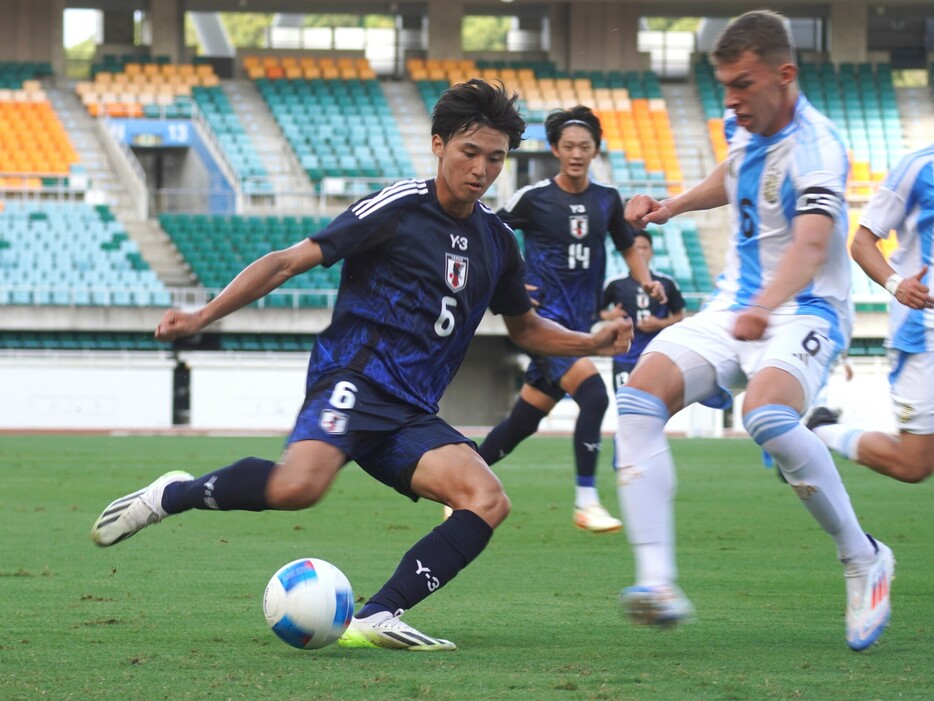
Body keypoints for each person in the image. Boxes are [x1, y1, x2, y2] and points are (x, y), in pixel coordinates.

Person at [90, 79, 633, 652]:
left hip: (412, 411)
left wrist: (590, 343)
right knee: (298, 489)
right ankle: (171, 495)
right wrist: (204, 315)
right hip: (354, 378)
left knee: (487, 498)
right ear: (438, 144)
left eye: (495, 158)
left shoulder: (497, 240)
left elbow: (524, 329)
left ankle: (377, 615)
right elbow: (286, 262)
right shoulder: (398, 207)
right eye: (469, 152)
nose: (481, 169)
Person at [614, 10, 893, 652]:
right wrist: (671, 205)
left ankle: (863, 557)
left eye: (742, 85)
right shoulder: (743, 122)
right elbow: (734, 177)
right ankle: (658, 584)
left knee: (765, 416)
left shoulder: (819, 147)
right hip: (735, 308)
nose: (731, 100)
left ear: (784, 74)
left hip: (805, 311)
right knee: (638, 398)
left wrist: (765, 306)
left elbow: (813, 240)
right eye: (724, 87)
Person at [476, 106, 664, 534]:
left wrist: (647, 281)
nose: (576, 153)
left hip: (580, 325)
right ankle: (586, 501)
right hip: (542, 323)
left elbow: (628, 246)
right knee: (595, 396)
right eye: (568, 146)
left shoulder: (606, 199)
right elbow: (488, 233)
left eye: (584, 146)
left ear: (595, 150)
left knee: (524, 420)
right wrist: (513, 284)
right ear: (556, 150)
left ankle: (461, 483)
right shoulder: (534, 197)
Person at [809, 143, 934, 483]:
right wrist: (897, 285)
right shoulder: (918, 168)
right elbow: (862, 242)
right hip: (925, 334)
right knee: (913, 465)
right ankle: (821, 431)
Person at [600, 229, 686, 392]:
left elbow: (679, 315)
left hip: (656, 355)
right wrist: (611, 315)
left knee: (655, 406)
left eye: (644, 248)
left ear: (652, 252)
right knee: (625, 403)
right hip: (624, 356)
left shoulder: (666, 283)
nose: (640, 252)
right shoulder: (615, 283)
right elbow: (594, 313)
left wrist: (660, 323)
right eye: (636, 248)